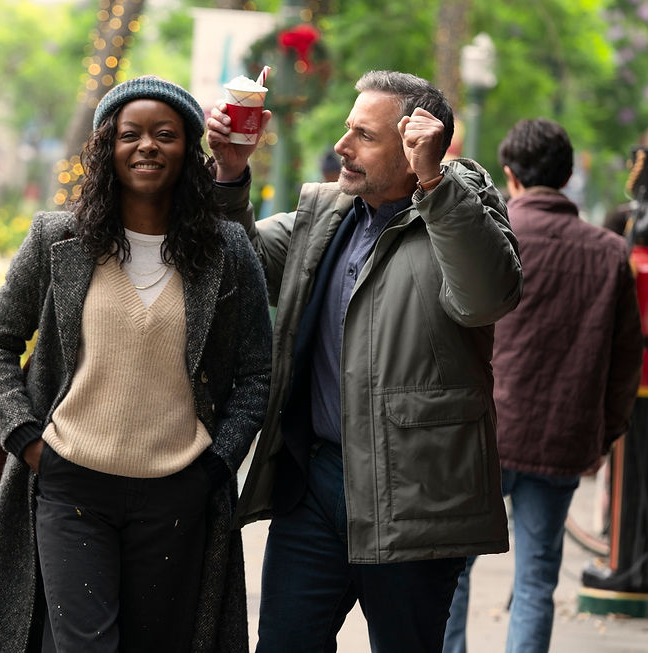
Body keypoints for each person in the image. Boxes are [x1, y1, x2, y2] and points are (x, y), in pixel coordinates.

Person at [207, 70, 523, 652]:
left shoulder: (463, 211)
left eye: (364, 136)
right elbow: (236, 268)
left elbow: (486, 297)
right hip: (313, 485)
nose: (341, 146)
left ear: (414, 150)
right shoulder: (324, 216)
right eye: (348, 129)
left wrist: (436, 182)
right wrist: (230, 172)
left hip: (416, 495)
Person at [0, 75, 272, 653]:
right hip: (70, 484)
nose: (148, 145)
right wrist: (27, 439)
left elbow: (257, 373)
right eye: (131, 134)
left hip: (177, 492)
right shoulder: (59, 239)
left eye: (165, 134)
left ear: (188, 149)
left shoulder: (227, 251)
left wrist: (216, 462)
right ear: (107, 147)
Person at [442, 118, 643, 653]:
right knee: (537, 580)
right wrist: (603, 438)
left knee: (451, 574)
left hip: (484, 434)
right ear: (568, 174)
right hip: (563, 436)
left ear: (509, 175)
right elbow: (626, 364)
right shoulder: (609, 253)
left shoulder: (487, 236)